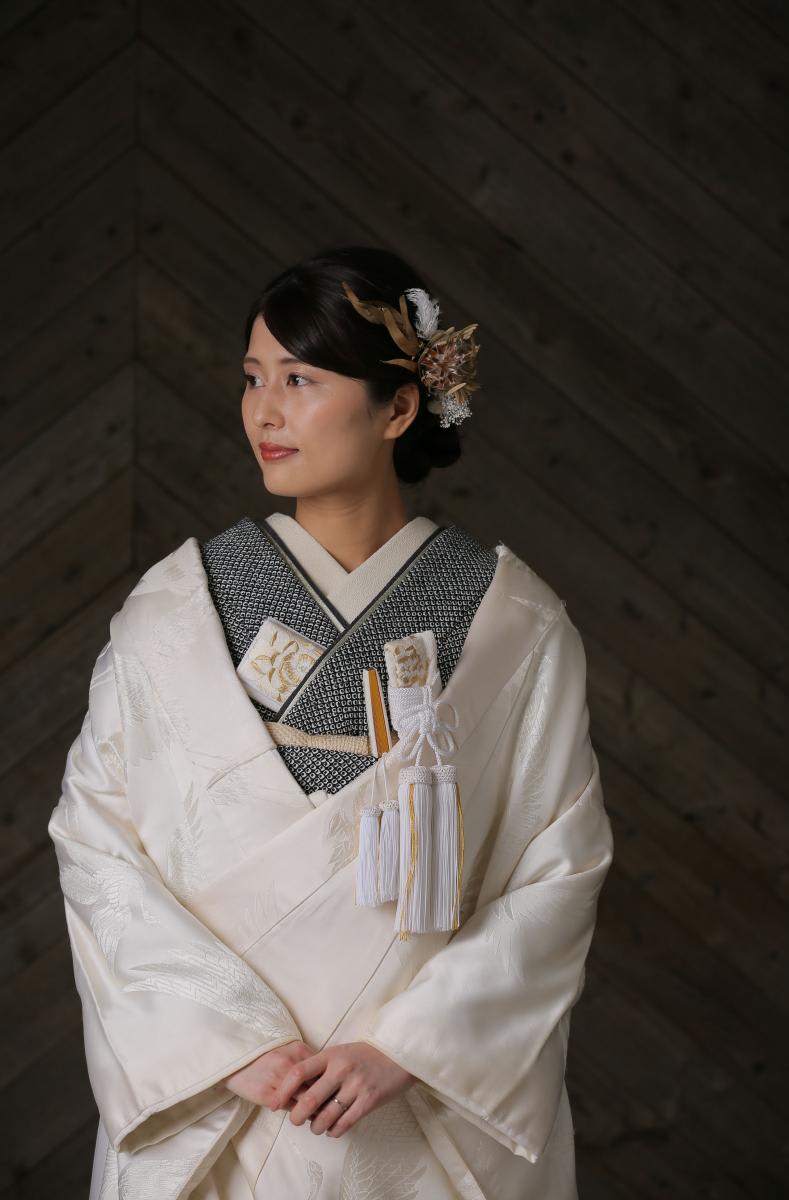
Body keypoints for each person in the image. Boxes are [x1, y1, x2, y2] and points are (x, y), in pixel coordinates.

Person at [49, 245, 614, 1199]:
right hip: (229, 1097)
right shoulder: (174, 611)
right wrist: (223, 1041)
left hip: (413, 1113)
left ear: (398, 408)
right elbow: (97, 842)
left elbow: (559, 866)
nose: (264, 411)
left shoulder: (513, 623)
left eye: (301, 380)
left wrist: (409, 1047)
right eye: (253, 378)